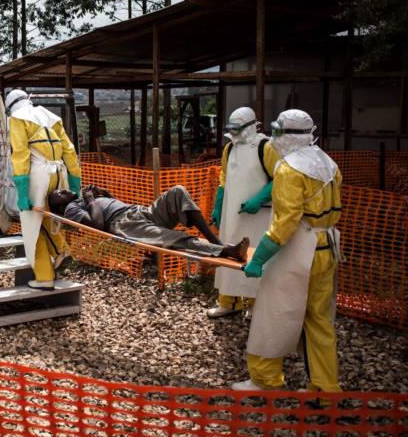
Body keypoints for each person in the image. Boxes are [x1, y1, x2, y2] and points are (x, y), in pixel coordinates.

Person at [232, 109, 343, 394]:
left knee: (273, 314)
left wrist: (258, 259)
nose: (274, 138)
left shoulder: (290, 169)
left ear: (287, 135)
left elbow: (285, 224)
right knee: (319, 320)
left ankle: (265, 379)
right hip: (327, 248)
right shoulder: (328, 163)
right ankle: (326, 388)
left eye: (278, 131)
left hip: (297, 251)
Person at [207, 107, 281, 319]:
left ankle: (256, 305)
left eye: (238, 128)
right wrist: (218, 205)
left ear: (250, 126)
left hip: (258, 217)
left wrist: (260, 198)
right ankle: (229, 302)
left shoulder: (266, 147)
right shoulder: (229, 149)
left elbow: (280, 177)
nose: (234, 132)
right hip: (232, 215)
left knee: (256, 255)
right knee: (229, 252)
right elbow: (224, 178)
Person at [48, 185, 250, 261]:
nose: (62, 190)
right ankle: (225, 251)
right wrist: (91, 199)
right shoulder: (71, 209)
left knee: (177, 192)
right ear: (60, 207)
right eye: (58, 195)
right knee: (175, 238)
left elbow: (111, 204)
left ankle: (217, 241)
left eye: (60, 189)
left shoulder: (82, 198)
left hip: (138, 211)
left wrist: (104, 195)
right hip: (125, 224)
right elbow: (98, 224)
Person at [7, 89, 81, 290]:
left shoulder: (17, 118)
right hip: (59, 173)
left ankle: (44, 277)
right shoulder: (51, 117)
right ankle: (61, 251)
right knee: (49, 217)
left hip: (38, 175)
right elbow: (70, 151)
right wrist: (75, 185)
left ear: (10, 107)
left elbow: (21, 155)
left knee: (32, 227)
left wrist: (22, 192)